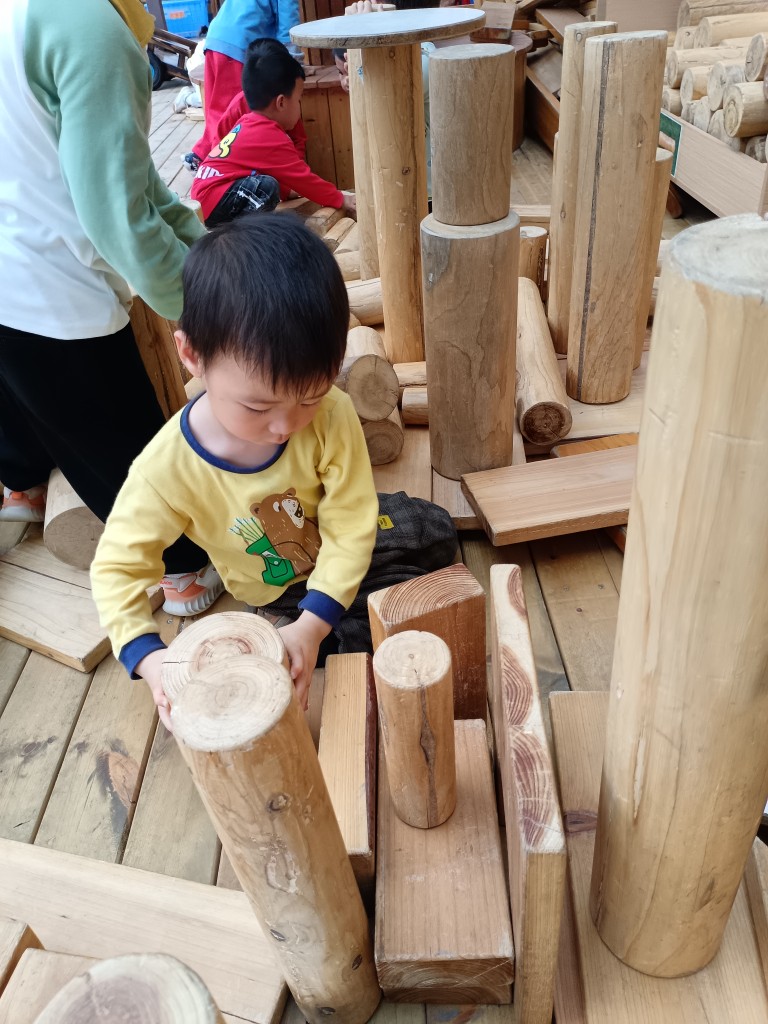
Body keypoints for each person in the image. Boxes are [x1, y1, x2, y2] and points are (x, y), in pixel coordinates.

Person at [91, 215, 458, 730]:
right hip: (279, 586)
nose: (285, 426)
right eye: (257, 407)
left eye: (309, 397)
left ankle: (307, 625)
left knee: (437, 529)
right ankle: (297, 626)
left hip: (341, 543)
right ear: (192, 355)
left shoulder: (332, 411)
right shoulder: (164, 469)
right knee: (362, 630)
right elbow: (115, 569)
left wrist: (313, 621)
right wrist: (151, 660)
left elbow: (350, 521)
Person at [0, 0, 221, 615]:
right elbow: (119, 216)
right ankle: (181, 569)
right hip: (49, 284)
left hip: (10, 263)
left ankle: (22, 485)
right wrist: (207, 314)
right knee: (116, 437)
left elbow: (140, 182)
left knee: (22, 396)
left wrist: (213, 261)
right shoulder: (90, 28)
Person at [191, 39, 355, 226]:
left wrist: (287, 191)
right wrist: (340, 198)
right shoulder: (268, 135)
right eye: (298, 99)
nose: (299, 106)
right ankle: (247, 234)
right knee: (265, 188)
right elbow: (301, 177)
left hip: (211, 194)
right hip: (213, 198)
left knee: (266, 185)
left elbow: (273, 171)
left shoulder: (249, 122)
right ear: (281, 103)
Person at [184, 0, 303, 172]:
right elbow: (288, 19)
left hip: (216, 39)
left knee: (218, 109)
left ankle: (202, 154)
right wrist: (293, 63)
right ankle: (217, 165)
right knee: (238, 112)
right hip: (241, 45)